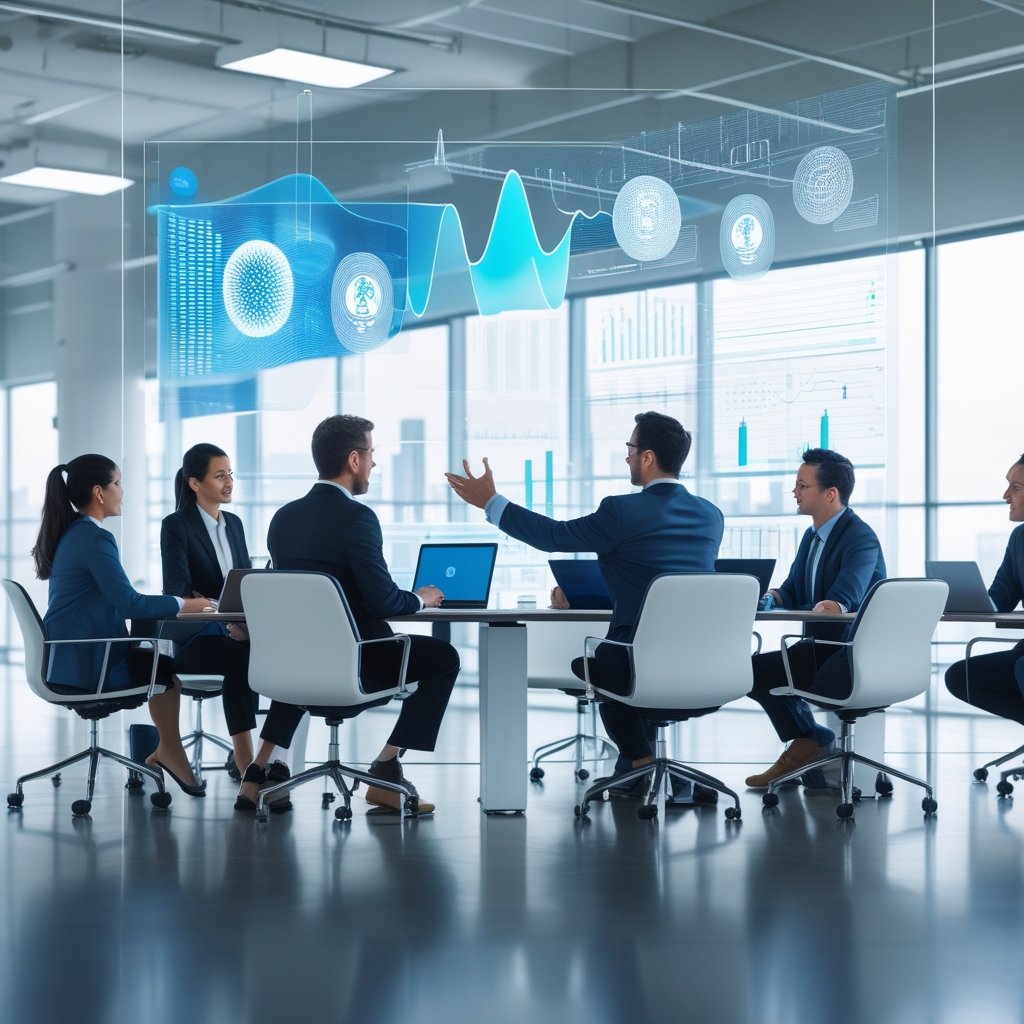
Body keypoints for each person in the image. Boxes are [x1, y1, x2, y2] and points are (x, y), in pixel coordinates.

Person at [447, 411, 725, 802]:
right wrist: (578, 590)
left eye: (630, 449)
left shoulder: (622, 511)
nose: (626, 457)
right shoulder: (710, 516)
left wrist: (491, 502)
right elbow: (661, 575)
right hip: (702, 664)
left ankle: (640, 761)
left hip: (638, 658)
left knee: (597, 666)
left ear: (647, 457)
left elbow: (553, 536)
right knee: (614, 662)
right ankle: (638, 766)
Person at [255, 414, 460, 815]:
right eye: (370, 455)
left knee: (312, 648)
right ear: (353, 459)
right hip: (355, 664)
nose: (373, 465)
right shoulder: (357, 518)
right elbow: (383, 601)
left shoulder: (283, 518)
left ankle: (258, 772)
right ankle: (386, 768)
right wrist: (420, 598)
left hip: (294, 665)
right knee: (443, 659)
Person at [32, 454, 210, 796]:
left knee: (151, 657)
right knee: (164, 672)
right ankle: (170, 752)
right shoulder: (95, 538)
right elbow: (129, 603)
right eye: (118, 484)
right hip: (89, 665)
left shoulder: (74, 532)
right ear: (100, 492)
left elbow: (122, 600)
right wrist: (186, 604)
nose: (122, 491)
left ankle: (161, 749)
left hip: (66, 660)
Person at [160, 443, 299, 808]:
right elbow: (176, 592)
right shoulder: (176, 526)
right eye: (220, 475)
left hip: (236, 629)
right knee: (239, 658)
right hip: (196, 639)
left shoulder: (233, 524)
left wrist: (243, 620)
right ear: (194, 483)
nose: (229, 482)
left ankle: (271, 760)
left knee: (288, 656)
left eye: (231, 474)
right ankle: (246, 765)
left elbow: (242, 585)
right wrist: (219, 613)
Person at [744, 448, 886, 789]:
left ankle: (808, 745)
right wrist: (772, 597)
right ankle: (810, 739)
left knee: (771, 671)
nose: (794, 491)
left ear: (830, 494)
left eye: (802, 486)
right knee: (749, 672)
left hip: (848, 652)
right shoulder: (813, 535)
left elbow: (843, 598)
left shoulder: (859, 536)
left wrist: (832, 604)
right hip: (818, 647)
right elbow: (793, 588)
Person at [945, 455, 1024, 724]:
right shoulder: (1020, 538)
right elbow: (1001, 597)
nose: (1006, 495)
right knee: (961, 677)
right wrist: (970, 600)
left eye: (1016, 487)